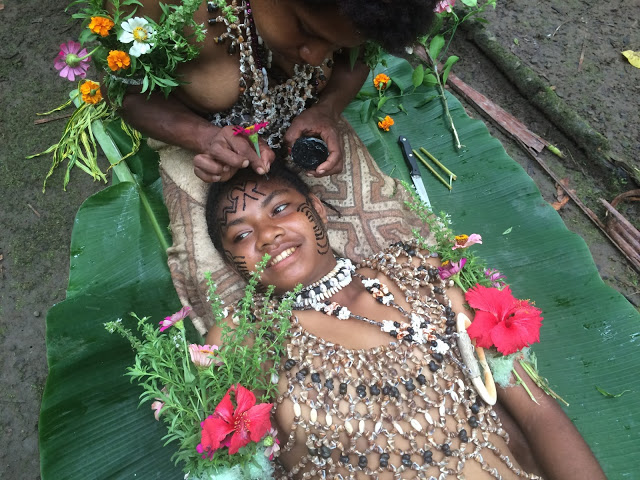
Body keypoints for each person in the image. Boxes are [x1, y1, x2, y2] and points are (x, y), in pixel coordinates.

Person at [204, 164, 607, 479]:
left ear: (318, 208)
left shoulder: (421, 271)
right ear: (229, 263)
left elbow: (534, 409)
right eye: (240, 236)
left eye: (279, 209)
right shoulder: (242, 339)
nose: (269, 234)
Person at [111, 0, 438, 183]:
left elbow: (359, 59)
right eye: (307, 31)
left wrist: (327, 109)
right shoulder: (161, 7)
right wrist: (202, 135)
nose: (317, 56)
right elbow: (129, 95)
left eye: (336, 46)